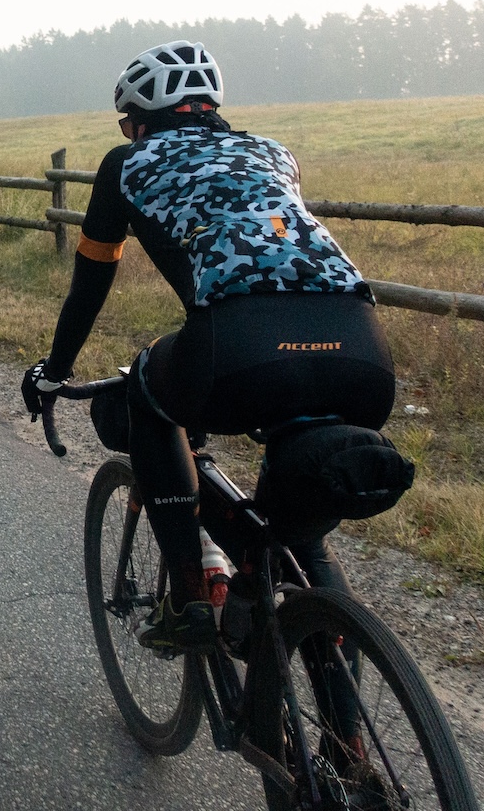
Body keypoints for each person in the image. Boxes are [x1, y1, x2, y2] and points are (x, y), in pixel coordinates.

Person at [24, 41, 396, 651]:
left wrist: (51, 374)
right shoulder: (275, 153)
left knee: (145, 391)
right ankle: (346, 741)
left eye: (126, 123)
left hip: (241, 342)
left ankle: (191, 598)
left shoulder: (127, 163)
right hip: (361, 347)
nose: (126, 133)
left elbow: (89, 288)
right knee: (299, 535)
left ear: (138, 121)